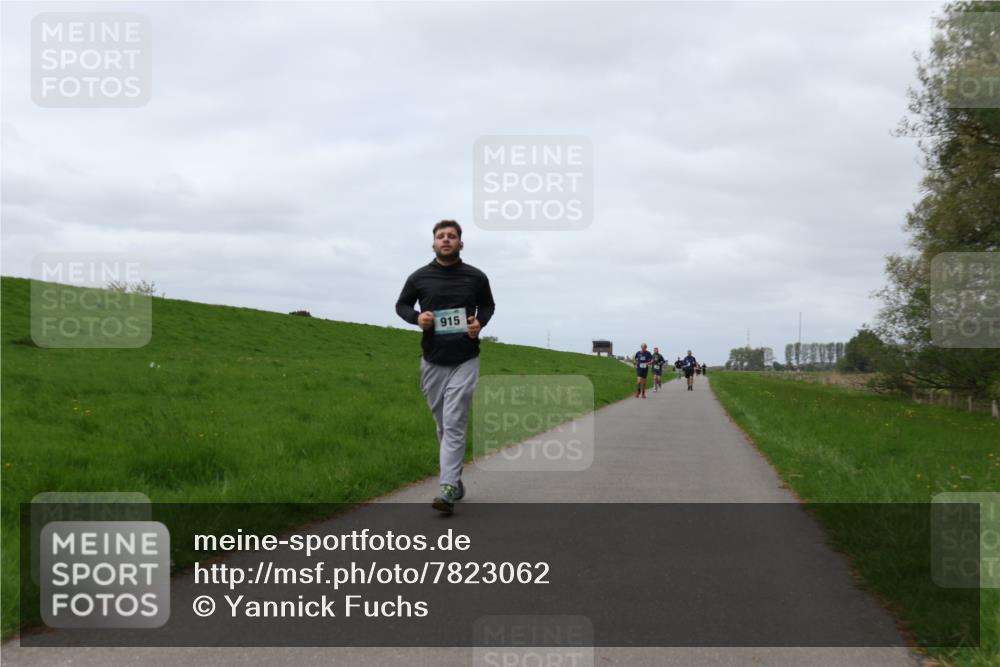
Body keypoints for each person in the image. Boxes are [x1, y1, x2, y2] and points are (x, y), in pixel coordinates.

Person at [396, 220, 496, 515]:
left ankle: (447, 488)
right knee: (443, 424)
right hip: (432, 360)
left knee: (454, 422)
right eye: (441, 236)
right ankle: (456, 480)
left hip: (465, 358)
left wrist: (480, 322)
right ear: (434, 243)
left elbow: (487, 306)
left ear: (460, 243)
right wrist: (416, 319)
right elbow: (401, 305)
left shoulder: (476, 277)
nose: (446, 240)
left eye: (452, 236)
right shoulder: (419, 277)